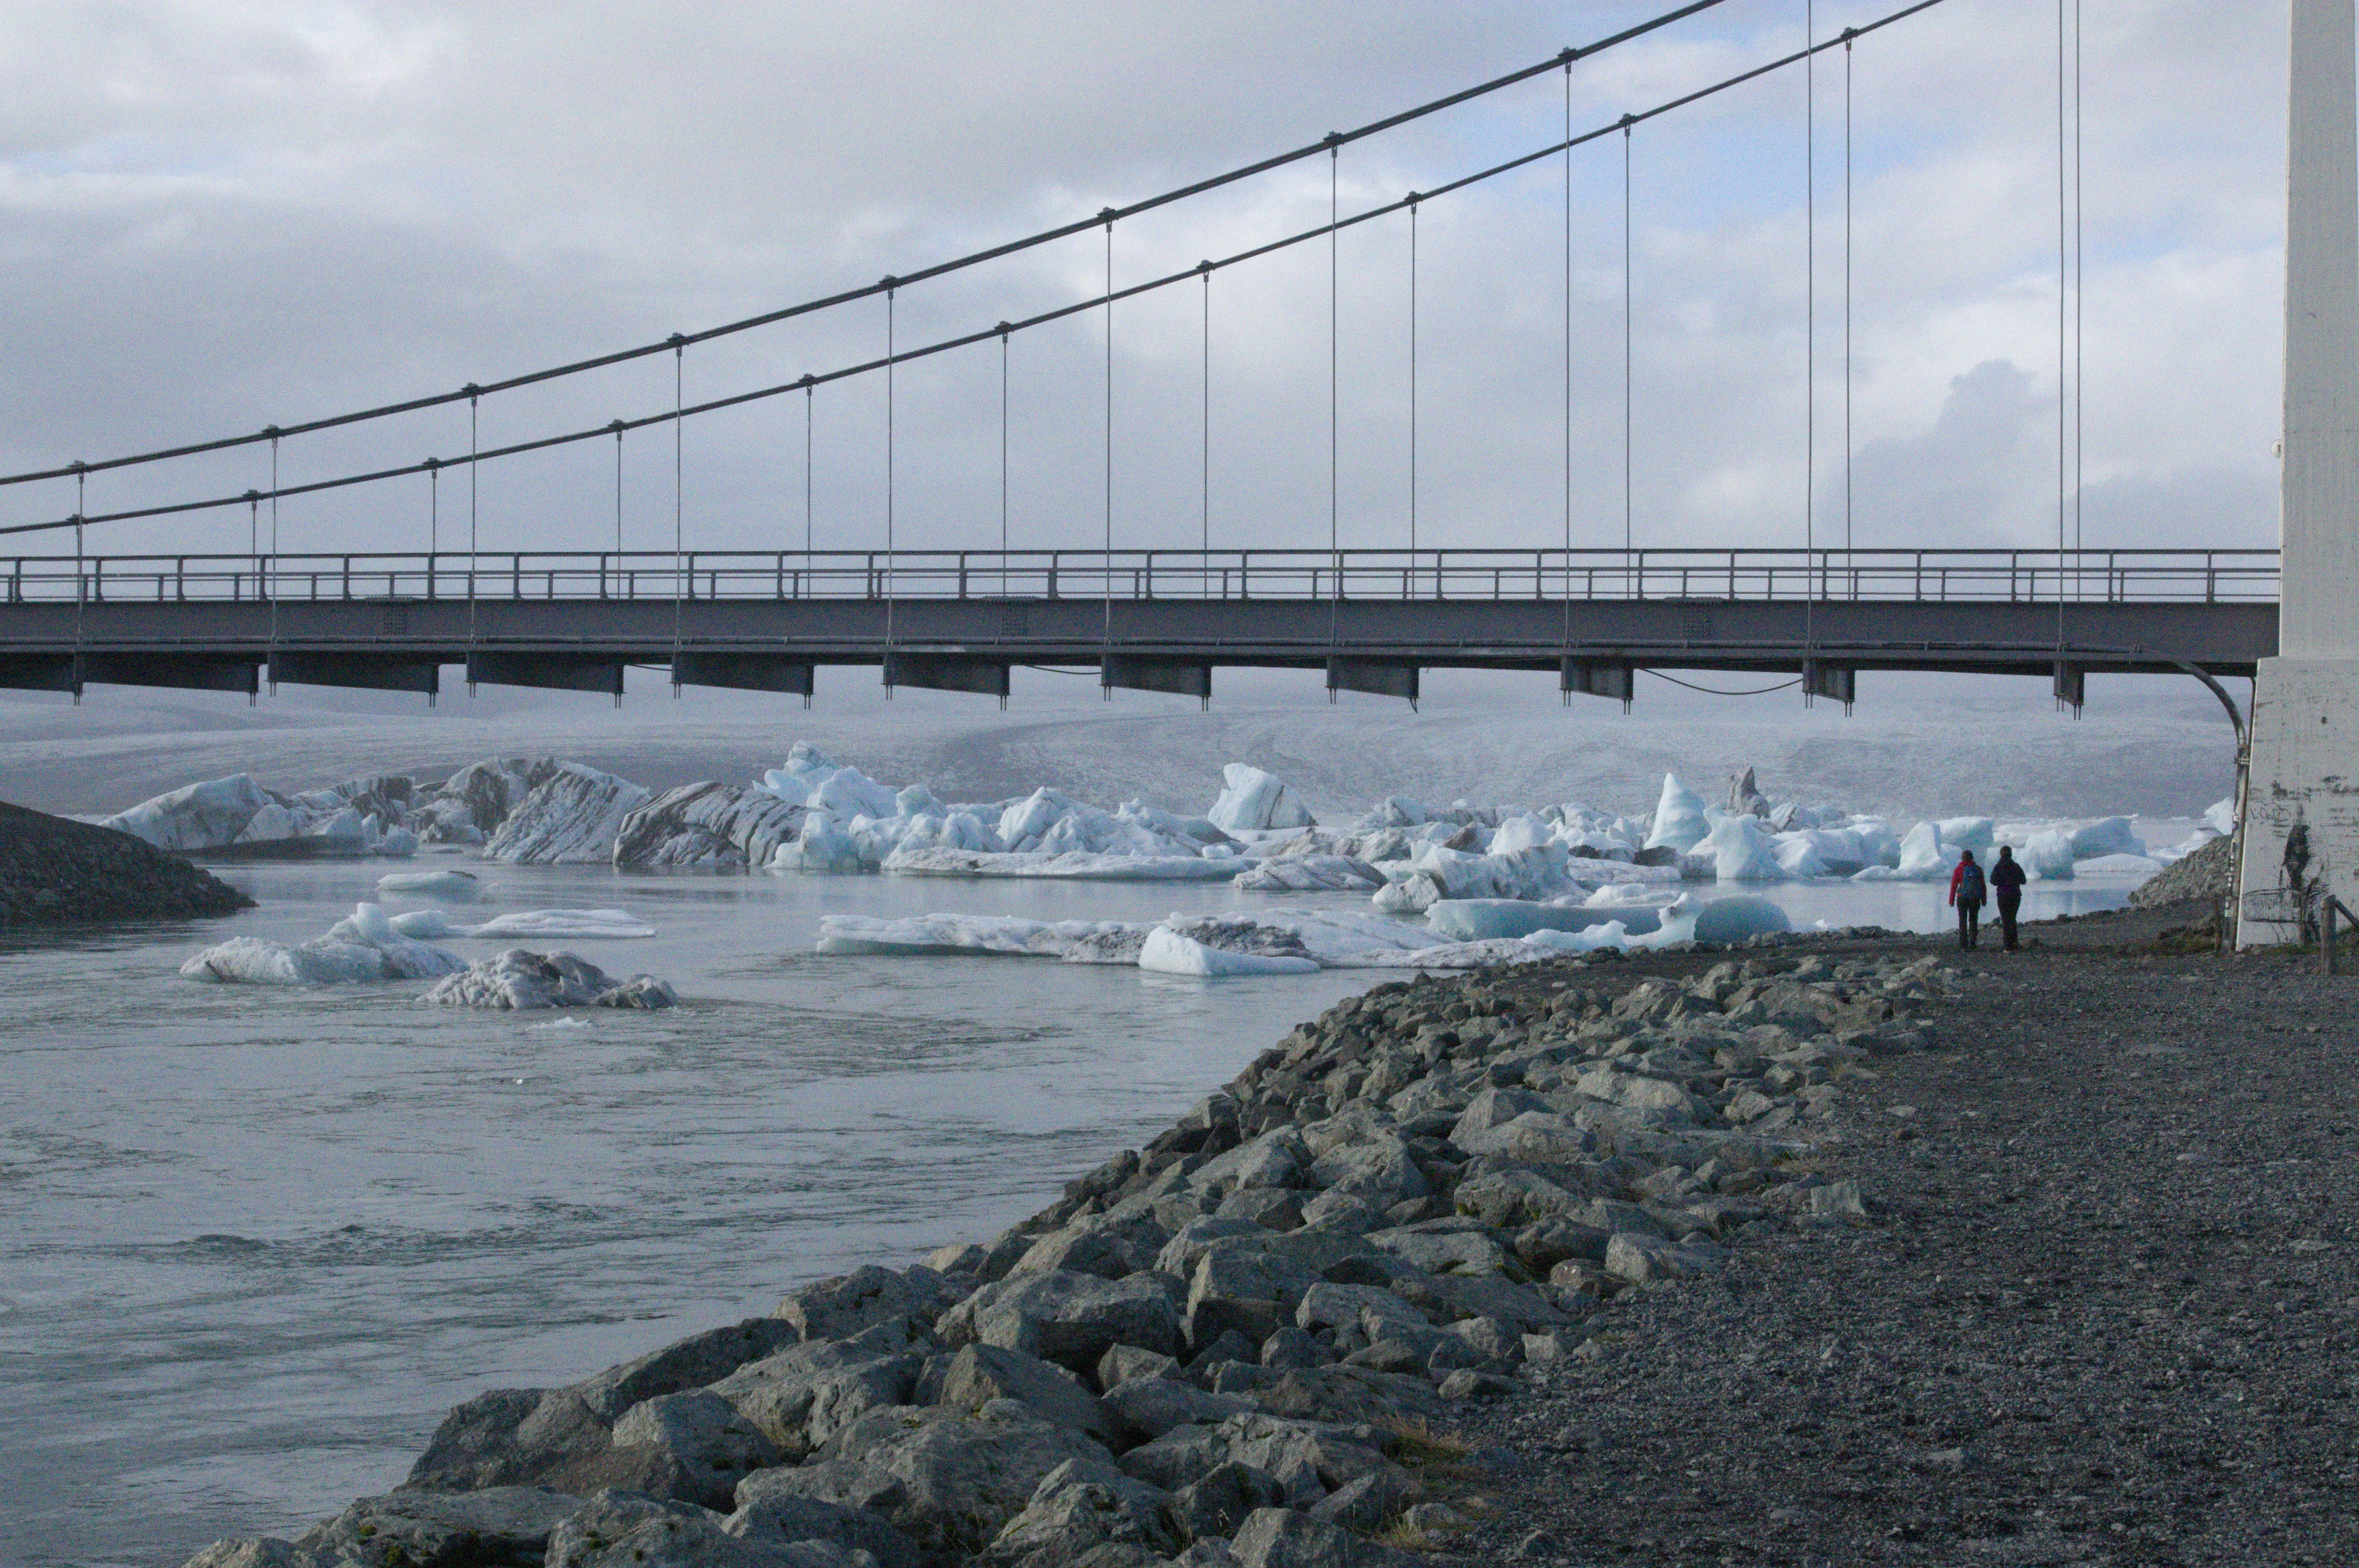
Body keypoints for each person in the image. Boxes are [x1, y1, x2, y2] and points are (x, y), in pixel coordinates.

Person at [1989, 844, 2028, 950]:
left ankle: (2008, 945)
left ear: (2001, 854)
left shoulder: (1998, 867)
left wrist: (2003, 882)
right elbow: (2023, 881)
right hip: (2015, 895)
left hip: (2003, 895)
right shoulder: (2016, 866)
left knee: (2005, 919)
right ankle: (2014, 942)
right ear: (2011, 854)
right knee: (2012, 918)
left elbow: (1993, 881)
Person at [1948, 849, 1986, 950]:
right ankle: (1973, 942)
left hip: (1962, 898)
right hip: (1975, 898)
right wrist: (1984, 900)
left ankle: (1964, 945)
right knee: (1974, 920)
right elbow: (1983, 885)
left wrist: (1951, 900)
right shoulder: (1978, 869)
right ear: (1972, 858)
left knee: (1963, 920)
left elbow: (1954, 886)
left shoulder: (1959, 869)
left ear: (1962, 858)